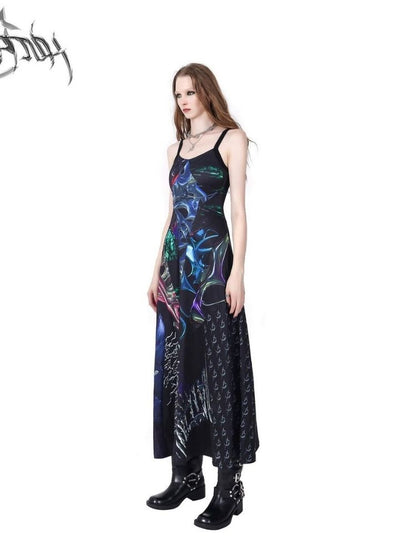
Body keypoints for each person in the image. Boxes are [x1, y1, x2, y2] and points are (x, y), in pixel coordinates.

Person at [146, 62, 260, 530]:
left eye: (190, 92)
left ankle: (227, 487)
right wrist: (155, 271)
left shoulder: (232, 139)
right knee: (179, 368)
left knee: (217, 367)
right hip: (177, 274)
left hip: (214, 271)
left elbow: (239, 213)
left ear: (206, 92)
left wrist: (238, 273)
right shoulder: (172, 149)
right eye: (178, 94)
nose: (184, 101)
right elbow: (172, 215)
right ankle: (184, 474)